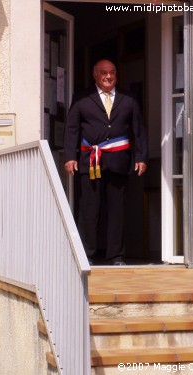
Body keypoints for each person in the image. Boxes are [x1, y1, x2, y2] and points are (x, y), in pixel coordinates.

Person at [63, 59, 148, 266]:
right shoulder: (82, 98)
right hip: (91, 161)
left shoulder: (128, 98)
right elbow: (72, 128)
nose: (108, 76)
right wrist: (70, 156)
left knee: (117, 210)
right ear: (95, 75)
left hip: (119, 162)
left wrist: (141, 157)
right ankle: (88, 255)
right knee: (89, 209)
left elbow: (138, 129)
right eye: (103, 73)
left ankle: (116, 256)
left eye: (112, 72)